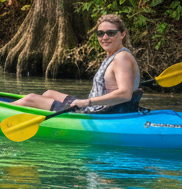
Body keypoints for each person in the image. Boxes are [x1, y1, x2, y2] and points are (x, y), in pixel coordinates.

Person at [12, 15, 142, 114]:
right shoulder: (113, 54)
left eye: (111, 33)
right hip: (98, 107)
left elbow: (125, 94)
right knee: (48, 93)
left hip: (100, 113)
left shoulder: (122, 58)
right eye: (100, 33)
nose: (104, 37)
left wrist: (87, 102)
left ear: (122, 34)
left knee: (30, 99)